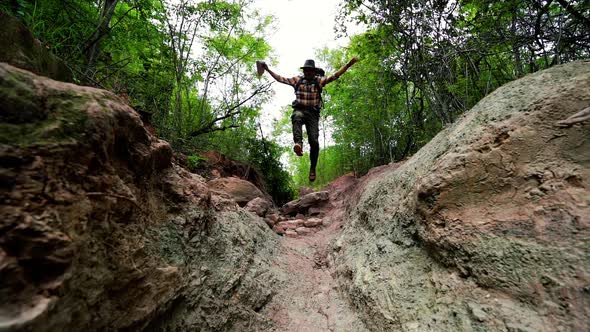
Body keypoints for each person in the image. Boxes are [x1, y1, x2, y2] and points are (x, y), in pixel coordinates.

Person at [259, 57, 359, 182]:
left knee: (314, 142)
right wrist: (267, 69)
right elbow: (280, 79)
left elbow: (335, 75)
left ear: (314, 71)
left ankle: (313, 168)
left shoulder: (319, 81)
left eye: (310, 71)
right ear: (304, 71)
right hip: (300, 109)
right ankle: (298, 144)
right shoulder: (297, 80)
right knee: (297, 116)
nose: (308, 73)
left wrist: (349, 64)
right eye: (306, 70)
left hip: (313, 114)